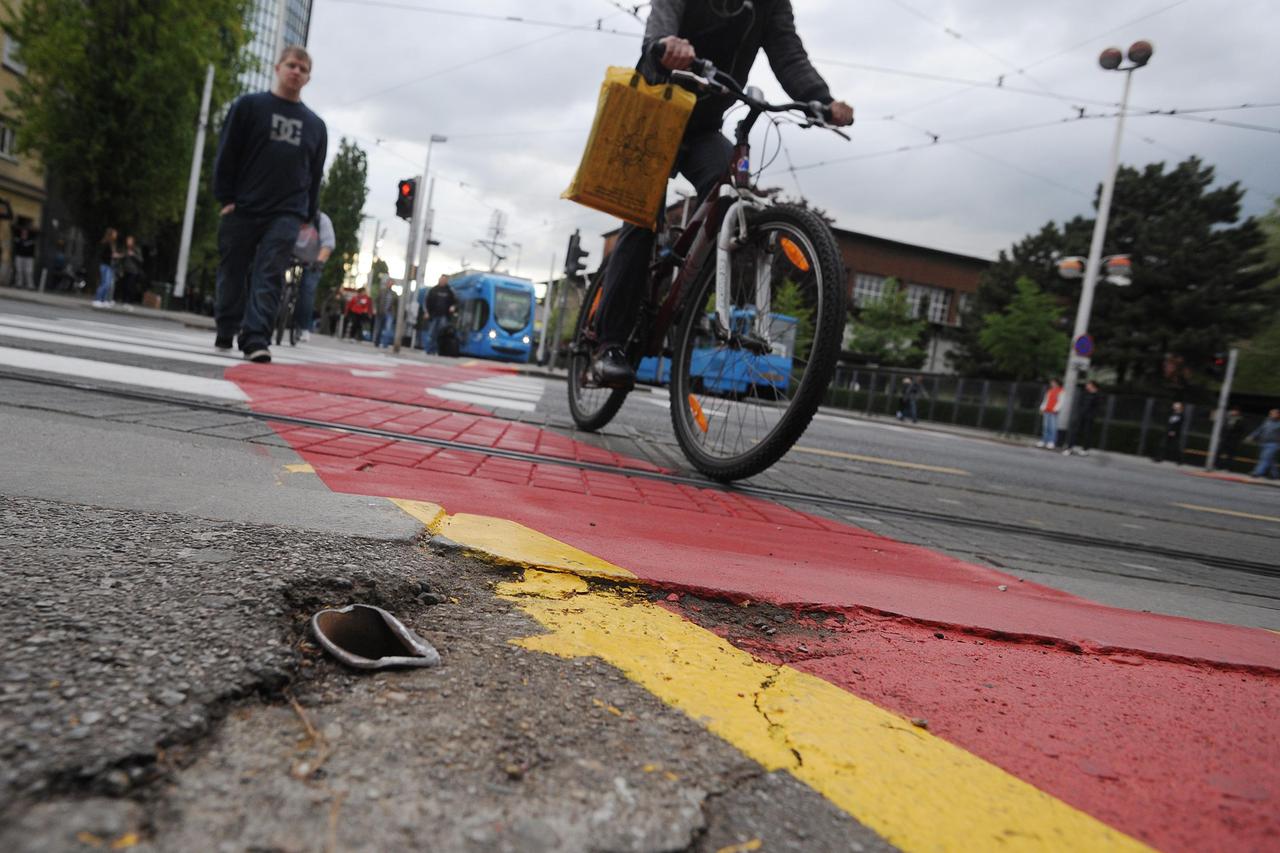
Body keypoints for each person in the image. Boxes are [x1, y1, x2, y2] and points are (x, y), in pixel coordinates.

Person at [589, 0, 855, 388]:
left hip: (703, 126)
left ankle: (686, 291)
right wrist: (666, 44)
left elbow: (787, 52)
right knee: (642, 218)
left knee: (728, 195)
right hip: (657, 110)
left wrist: (822, 100)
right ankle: (608, 345)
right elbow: (662, 19)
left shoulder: (771, 5)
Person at [213, 45, 327, 362]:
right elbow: (227, 152)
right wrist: (226, 197)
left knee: (270, 272)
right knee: (232, 270)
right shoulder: (249, 107)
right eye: (291, 65)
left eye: (303, 69)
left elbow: (315, 174)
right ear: (277, 68)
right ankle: (226, 325)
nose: (296, 72)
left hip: (288, 212)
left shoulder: (315, 126)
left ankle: (256, 339)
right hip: (243, 206)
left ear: (308, 78)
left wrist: (308, 215)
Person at [292, 211, 334, 342]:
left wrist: (319, 262)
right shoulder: (293, 213)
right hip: (290, 256)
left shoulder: (322, 220)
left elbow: (328, 245)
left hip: (313, 260)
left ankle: (304, 327)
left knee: (308, 289)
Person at [421, 275, 457, 354]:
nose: (443, 281)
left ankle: (437, 350)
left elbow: (455, 302)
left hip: (444, 316)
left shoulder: (450, 291)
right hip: (433, 315)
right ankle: (428, 350)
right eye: (442, 279)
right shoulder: (433, 290)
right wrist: (426, 312)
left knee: (440, 334)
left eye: (445, 280)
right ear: (439, 280)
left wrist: (453, 307)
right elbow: (426, 302)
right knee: (431, 333)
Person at [1063, 380, 1100, 456]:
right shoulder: (1084, 393)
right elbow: (1079, 403)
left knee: (1087, 433)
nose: (1086, 386)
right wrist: (1078, 413)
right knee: (1074, 431)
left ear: (1092, 385)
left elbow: (1098, 407)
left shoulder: (1098, 395)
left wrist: (1092, 416)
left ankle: (1085, 450)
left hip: (1089, 417)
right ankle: (1069, 448)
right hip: (1080, 416)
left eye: (1088, 384)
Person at [1246, 408, 1280, 479]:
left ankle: (1257, 472)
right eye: (1271, 413)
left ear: (1278, 415)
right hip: (1263, 442)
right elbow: (1260, 429)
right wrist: (1252, 436)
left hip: (1273, 444)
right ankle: (1275, 475)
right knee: (1270, 460)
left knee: (1265, 458)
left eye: (1274, 413)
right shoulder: (1267, 421)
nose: (1271, 415)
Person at [91, 228, 120, 307]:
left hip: (109, 265)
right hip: (105, 265)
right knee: (105, 283)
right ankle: (97, 299)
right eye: (114, 234)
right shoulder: (105, 243)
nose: (116, 235)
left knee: (108, 284)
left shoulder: (112, 243)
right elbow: (102, 254)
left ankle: (103, 300)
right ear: (111, 234)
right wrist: (112, 255)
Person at [1037, 378, 1062, 449]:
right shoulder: (1050, 391)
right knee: (1045, 427)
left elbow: (1061, 402)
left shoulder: (1061, 391)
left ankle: (1051, 442)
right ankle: (1044, 440)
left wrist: (1056, 409)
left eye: (1053, 382)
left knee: (1052, 427)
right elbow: (1046, 400)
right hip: (1047, 410)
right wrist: (1042, 408)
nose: (1051, 384)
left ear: (1057, 383)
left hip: (1053, 412)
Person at [119, 235, 143, 304]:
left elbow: (141, 260)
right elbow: (122, 260)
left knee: (130, 286)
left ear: (133, 242)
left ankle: (128, 300)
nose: (128, 242)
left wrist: (133, 255)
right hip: (125, 270)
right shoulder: (125, 249)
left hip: (133, 271)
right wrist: (121, 269)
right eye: (127, 240)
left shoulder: (136, 249)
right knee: (124, 285)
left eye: (129, 241)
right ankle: (124, 300)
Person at [12, 225, 35, 290]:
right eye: (23, 232)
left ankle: (30, 285)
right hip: (19, 256)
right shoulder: (18, 239)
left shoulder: (30, 240)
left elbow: (31, 248)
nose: (24, 233)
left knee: (28, 271)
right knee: (19, 270)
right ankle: (19, 284)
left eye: (25, 232)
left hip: (29, 258)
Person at [374, 284, 398, 348]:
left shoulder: (394, 294)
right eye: (389, 283)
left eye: (391, 283)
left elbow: (396, 304)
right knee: (379, 328)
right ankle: (377, 342)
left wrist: (395, 313)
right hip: (381, 312)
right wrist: (375, 309)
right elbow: (376, 300)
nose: (390, 285)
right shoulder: (382, 291)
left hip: (390, 313)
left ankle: (385, 344)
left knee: (388, 329)